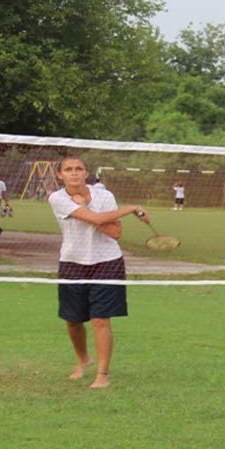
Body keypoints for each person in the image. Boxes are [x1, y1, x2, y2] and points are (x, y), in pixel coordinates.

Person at [47, 155, 152, 389]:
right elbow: (96, 219)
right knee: (73, 321)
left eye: (79, 169)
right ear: (60, 175)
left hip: (107, 261)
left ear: (86, 173)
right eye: (68, 169)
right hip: (72, 262)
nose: (74, 173)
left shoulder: (105, 195)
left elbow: (115, 233)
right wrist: (130, 208)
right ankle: (84, 358)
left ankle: (103, 374)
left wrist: (86, 209)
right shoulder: (57, 198)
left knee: (100, 319)